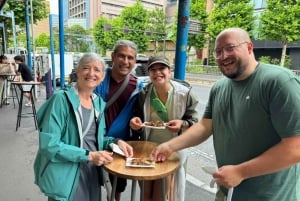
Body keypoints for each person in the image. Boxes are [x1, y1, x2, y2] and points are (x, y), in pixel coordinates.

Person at [151, 27, 300, 201]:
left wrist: (241, 172)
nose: (223, 56)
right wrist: (170, 146)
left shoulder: (279, 82)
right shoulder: (219, 88)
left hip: (271, 196)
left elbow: (295, 147)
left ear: (250, 47)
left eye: (230, 48)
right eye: (218, 51)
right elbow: (205, 127)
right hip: (227, 192)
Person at [33, 53, 134, 201]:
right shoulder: (61, 100)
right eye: (86, 68)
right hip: (66, 173)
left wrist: (116, 142)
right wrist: (90, 155)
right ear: (78, 71)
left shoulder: (98, 102)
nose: (91, 73)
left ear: (103, 76)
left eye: (97, 70)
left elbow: (97, 139)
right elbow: (49, 145)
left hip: (91, 172)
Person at [129, 55, 198, 201]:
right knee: (145, 195)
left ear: (170, 70)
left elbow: (195, 122)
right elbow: (139, 120)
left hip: (172, 151)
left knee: (163, 196)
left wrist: (183, 124)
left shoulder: (185, 94)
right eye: (153, 69)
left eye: (162, 68)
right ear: (149, 73)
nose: (157, 72)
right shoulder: (144, 94)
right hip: (148, 150)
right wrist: (136, 124)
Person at [94, 39, 143, 201]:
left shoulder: (138, 86)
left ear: (135, 61)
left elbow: (141, 115)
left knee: (116, 186)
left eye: (130, 58)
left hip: (120, 145)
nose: (126, 61)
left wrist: (137, 123)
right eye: (122, 56)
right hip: (94, 141)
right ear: (113, 56)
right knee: (89, 182)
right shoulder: (97, 79)